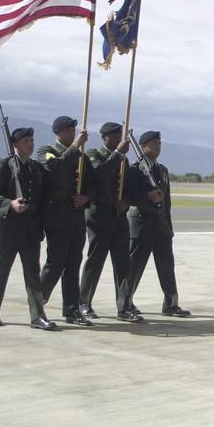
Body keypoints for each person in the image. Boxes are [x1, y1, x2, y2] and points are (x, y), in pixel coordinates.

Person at [0, 127, 56, 330]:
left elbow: (41, 199)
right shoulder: (3, 166)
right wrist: (10, 204)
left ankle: (38, 316)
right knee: (0, 272)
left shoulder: (35, 168)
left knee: (33, 275)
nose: (30, 145)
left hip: (30, 230)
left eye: (31, 141)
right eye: (25, 141)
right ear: (15, 144)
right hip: (7, 229)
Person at [78, 122, 141, 322]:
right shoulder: (93, 155)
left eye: (119, 136)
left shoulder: (123, 159)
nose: (117, 140)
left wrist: (127, 202)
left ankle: (124, 306)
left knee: (123, 263)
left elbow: (129, 187)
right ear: (104, 137)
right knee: (95, 261)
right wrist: (117, 154)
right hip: (99, 215)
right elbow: (98, 176)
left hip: (118, 216)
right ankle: (84, 303)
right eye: (113, 137)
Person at [126, 130, 190, 317]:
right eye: (154, 143)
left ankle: (171, 304)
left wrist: (169, 227)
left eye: (159, 143)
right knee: (134, 268)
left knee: (167, 266)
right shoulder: (134, 169)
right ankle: (126, 302)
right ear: (143, 146)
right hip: (142, 224)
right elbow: (131, 196)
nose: (158, 147)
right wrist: (148, 197)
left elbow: (167, 202)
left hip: (160, 225)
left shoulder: (162, 170)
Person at [38, 116, 93, 326]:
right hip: (57, 216)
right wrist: (76, 146)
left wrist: (86, 196)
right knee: (55, 263)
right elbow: (56, 167)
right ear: (59, 133)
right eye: (69, 131)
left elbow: (93, 183)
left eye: (74, 131)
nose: (73, 134)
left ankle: (72, 309)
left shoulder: (81, 157)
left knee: (73, 264)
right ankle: (38, 303)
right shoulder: (46, 151)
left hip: (76, 216)